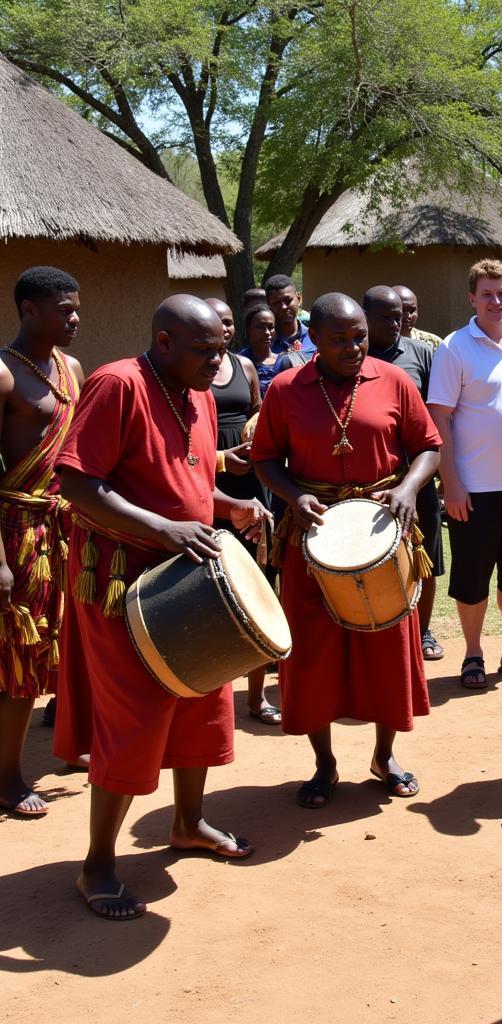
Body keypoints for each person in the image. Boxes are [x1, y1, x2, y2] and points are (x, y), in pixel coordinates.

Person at [52, 295, 271, 920]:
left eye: (219, 349)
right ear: (164, 341)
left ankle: (187, 822)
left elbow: (189, 478)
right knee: (135, 715)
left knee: (202, 698)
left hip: (185, 576)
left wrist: (228, 507)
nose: (217, 360)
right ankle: (96, 864)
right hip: (123, 581)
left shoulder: (197, 389)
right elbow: (76, 482)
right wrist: (163, 528)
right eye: (203, 350)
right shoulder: (117, 384)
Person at [252, 292, 440, 806]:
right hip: (312, 539)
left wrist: (406, 490)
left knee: (387, 643)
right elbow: (265, 458)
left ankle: (385, 755)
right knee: (313, 652)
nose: (354, 347)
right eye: (340, 339)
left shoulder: (394, 379)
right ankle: (324, 763)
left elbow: (428, 445)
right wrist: (294, 494)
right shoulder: (288, 389)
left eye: (360, 336)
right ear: (314, 339)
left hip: (381, 531)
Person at [427, 259, 502, 689]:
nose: (496, 301)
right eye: (487, 294)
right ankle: (473, 653)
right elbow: (438, 419)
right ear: (471, 299)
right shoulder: (454, 347)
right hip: (472, 489)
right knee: (473, 578)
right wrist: (451, 484)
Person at [0, 267, 84, 817]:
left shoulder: (71, 367)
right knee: (20, 656)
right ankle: (7, 776)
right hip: (17, 529)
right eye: (63, 309)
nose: (75, 318)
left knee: (73, 641)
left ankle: (71, 742)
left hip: (65, 525)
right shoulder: (4, 374)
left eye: (77, 308)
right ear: (29, 310)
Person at [204, 298, 279, 725]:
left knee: (257, 589)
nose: (226, 329)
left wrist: (254, 438)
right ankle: (210, 695)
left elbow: (254, 413)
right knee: (213, 593)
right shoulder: (191, 370)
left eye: (229, 322)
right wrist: (221, 457)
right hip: (210, 486)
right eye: (218, 323)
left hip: (251, 488)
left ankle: (255, 698)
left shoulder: (246, 368)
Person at [362, 285, 446, 661]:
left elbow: (435, 418)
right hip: (372, 480)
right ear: (366, 318)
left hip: (417, 478)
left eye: (400, 316)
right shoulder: (353, 357)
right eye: (386, 317)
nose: (396, 324)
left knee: (423, 558)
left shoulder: (422, 354)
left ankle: (423, 631)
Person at [239, 303, 293, 398]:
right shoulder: (239, 363)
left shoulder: (285, 361)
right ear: (248, 329)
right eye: (260, 327)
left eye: (271, 327)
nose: (267, 333)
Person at [263, 274, 314, 360]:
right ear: (268, 304)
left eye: (288, 300)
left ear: (299, 298)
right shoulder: (263, 345)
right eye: (276, 303)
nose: (283, 307)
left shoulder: (315, 339)